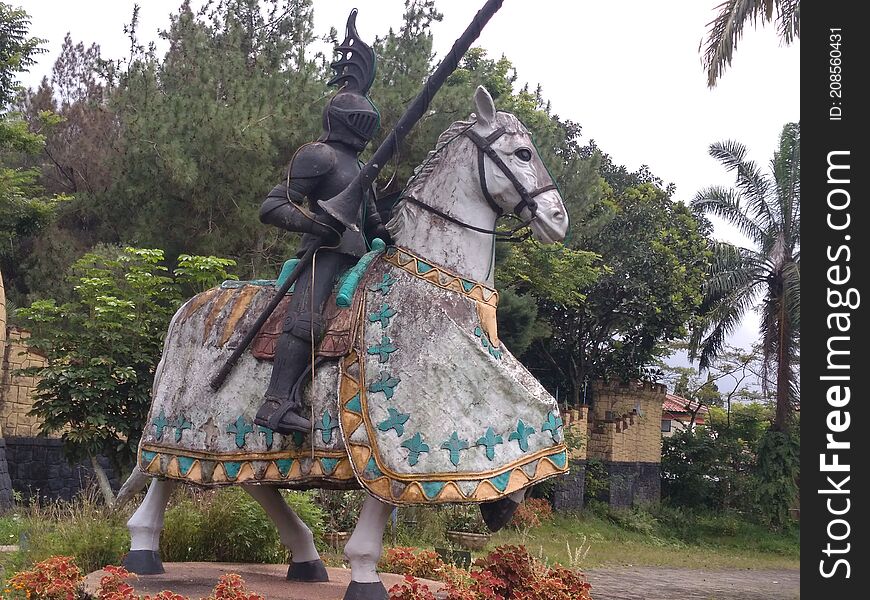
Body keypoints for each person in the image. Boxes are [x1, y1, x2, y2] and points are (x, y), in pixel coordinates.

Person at [253, 10, 383, 435]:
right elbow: (273, 206)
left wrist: (391, 234)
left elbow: (374, 221)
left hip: (364, 259)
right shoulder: (319, 155)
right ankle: (275, 402)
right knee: (307, 318)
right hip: (324, 256)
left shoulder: (363, 166)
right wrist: (316, 227)